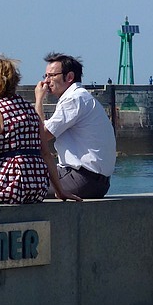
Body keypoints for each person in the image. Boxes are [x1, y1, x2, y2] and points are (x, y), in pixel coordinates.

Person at [0, 56, 78, 203]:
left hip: (10, 184)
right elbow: (46, 154)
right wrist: (60, 191)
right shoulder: (30, 110)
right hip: (36, 186)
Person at [35, 52, 116, 198]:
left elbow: (42, 135)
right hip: (97, 182)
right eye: (45, 76)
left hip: (81, 179)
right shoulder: (82, 97)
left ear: (69, 77)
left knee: (24, 185)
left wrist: (39, 100)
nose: (46, 81)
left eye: (51, 76)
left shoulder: (74, 99)